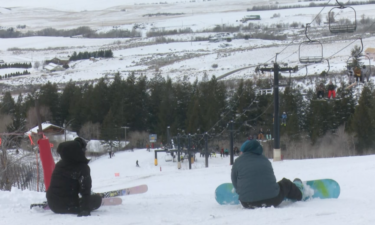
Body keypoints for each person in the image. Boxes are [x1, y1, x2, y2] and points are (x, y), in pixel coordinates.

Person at [231, 140, 303, 209]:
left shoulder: (237, 162)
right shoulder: (265, 160)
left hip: (247, 203)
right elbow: (271, 180)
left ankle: (249, 193)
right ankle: (299, 194)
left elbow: (234, 181)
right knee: (286, 184)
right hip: (273, 200)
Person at [47, 137, 102, 217]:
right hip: (68, 206)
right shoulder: (82, 168)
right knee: (97, 199)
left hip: (53, 205)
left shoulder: (59, 165)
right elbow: (85, 189)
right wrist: (85, 209)